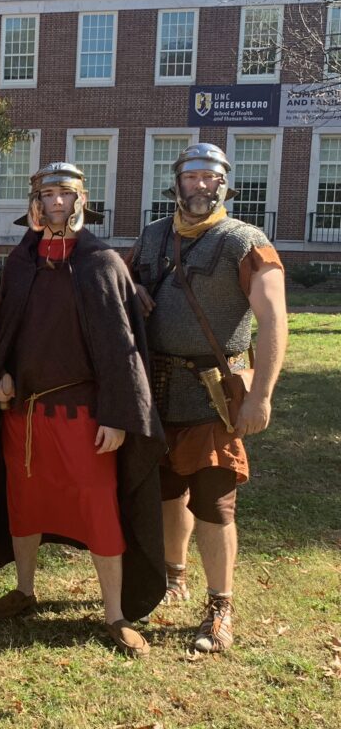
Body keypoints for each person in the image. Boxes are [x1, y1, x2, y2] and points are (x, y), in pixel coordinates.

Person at [0, 163, 166, 657]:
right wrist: (2, 376)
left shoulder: (102, 262)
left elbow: (123, 349)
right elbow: (7, 336)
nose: (57, 202)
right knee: (24, 504)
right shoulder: (19, 263)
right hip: (25, 414)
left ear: (82, 200)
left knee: (99, 509)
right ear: (34, 202)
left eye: (66, 193)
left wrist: (120, 414)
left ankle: (115, 614)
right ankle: (25, 588)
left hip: (85, 416)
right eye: (47, 193)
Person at [131, 143, 287, 653]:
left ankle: (220, 605)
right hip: (155, 389)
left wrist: (260, 396)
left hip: (214, 392)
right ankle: (174, 577)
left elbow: (274, 320)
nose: (201, 185)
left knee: (215, 503)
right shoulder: (152, 237)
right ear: (175, 184)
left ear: (226, 186)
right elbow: (124, 291)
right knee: (167, 492)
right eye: (192, 177)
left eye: (211, 178)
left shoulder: (246, 241)